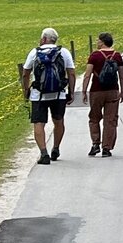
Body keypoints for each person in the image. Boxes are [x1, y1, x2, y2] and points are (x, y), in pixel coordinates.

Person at [20, 28, 74, 165]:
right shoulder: (64, 52)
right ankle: (55, 148)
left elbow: (25, 74)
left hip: (38, 95)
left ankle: (44, 153)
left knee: (39, 123)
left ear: (44, 39)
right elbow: (71, 73)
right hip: (59, 94)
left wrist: (26, 91)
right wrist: (71, 92)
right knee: (59, 121)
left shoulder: (34, 52)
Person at [82, 31, 123, 157]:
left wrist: (84, 91)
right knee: (110, 120)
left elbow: (87, 75)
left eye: (98, 40)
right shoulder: (117, 55)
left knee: (94, 118)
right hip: (113, 91)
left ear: (102, 42)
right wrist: (122, 91)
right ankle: (106, 148)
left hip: (97, 91)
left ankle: (95, 144)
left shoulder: (94, 56)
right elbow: (122, 76)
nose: (97, 42)